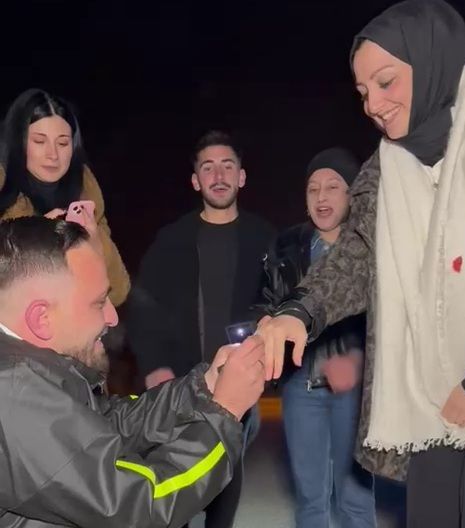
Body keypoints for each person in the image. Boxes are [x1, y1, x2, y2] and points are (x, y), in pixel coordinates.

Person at [256, 1, 465, 526]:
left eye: (386, 82)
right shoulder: (387, 167)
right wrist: (298, 312)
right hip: (431, 403)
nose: (373, 105)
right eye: (362, 92)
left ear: (430, 62)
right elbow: (357, 255)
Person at [0, 215, 266, 528]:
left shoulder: (32, 373)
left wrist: (203, 388)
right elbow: (140, 504)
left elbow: (106, 424)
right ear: (41, 319)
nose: (112, 317)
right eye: (99, 302)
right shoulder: (16, 396)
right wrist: (224, 412)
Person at [128, 130, 275, 528]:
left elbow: (279, 305)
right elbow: (143, 308)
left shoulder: (264, 238)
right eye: (208, 168)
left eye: (228, 166)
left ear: (242, 176)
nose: (219, 175)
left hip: (239, 383)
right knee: (174, 492)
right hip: (183, 387)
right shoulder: (171, 240)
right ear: (195, 181)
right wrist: (155, 365)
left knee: (226, 487)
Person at [258, 147, 375, 527]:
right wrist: (264, 324)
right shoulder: (286, 245)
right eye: (313, 189)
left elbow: (389, 317)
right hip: (301, 388)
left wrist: (357, 359)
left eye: (333, 186)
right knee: (310, 500)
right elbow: (266, 302)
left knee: (356, 501)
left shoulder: (371, 247)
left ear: (353, 193)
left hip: (355, 391)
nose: (321, 197)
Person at [0, 88, 130, 307]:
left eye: (62, 143)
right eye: (39, 141)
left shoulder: (84, 194)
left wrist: (93, 240)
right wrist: (34, 239)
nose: (53, 154)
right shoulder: (4, 189)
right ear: (18, 143)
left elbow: (117, 293)